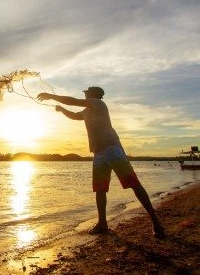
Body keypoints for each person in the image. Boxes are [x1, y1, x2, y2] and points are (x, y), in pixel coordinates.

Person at [37, 87, 165, 238]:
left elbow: (74, 101)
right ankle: (102, 224)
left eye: (87, 92)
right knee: (100, 189)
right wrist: (62, 109)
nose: (84, 93)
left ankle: (156, 222)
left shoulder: (97, 103)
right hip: (98, 153)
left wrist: (51, 96)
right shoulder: (87, 111)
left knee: (133, 184)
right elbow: (74, 115)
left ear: (93, 94)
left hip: (113, 150)